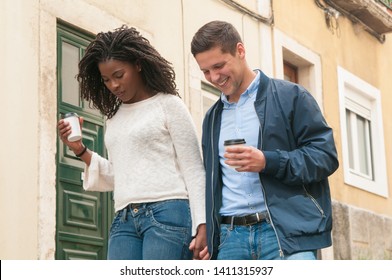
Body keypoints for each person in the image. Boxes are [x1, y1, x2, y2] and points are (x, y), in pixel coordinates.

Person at [190, 20, 339, 260]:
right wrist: (209, 229)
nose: (214, 77)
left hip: (284, 233)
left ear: (240, 51)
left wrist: (267, 161)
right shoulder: (212, 118)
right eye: (206, 71)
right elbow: (211, 181)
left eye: (219, 66)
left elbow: (325, 157)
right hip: (230, 240)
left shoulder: (292, 96)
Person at [58, 25, 206, 260]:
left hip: (167, 212)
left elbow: (194, 169)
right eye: (106, 79)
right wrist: (80, 150)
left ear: (138, 64)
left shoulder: (168, 105)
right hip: (124, 219)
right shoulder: (114, 118)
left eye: (119, 75)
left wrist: (202, 224)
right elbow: (121, 175)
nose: (114, 85)